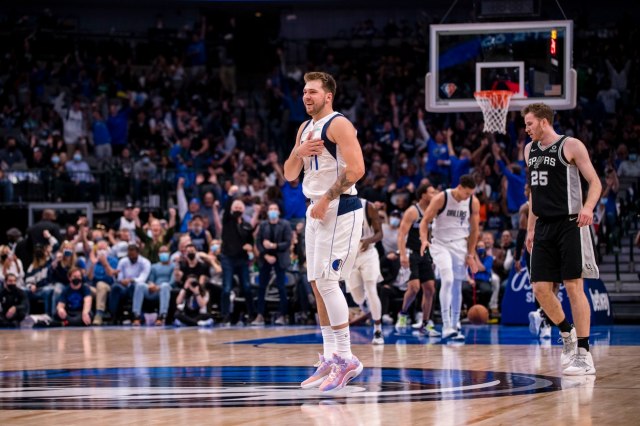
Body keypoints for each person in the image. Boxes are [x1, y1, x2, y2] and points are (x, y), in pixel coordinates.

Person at [283, 71, 365, 392]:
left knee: (329, 282)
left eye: (313, 92)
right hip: (315, 208)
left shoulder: (339, 124)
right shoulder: (304, 128)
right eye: (305, 91)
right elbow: (289, 174)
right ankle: (331, 356)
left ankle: (346, 357)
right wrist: (298, 152)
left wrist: (327, 198)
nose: (307, 96)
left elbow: (357, 170)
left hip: (339, 206)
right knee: (317, 284)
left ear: (328, 96)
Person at [522, 102, 601, 375]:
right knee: (540, 289)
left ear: (544, 121)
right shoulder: (529, 150)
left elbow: (595, 182)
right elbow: (533, 193)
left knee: (573, 286)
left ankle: (584, 354)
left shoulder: (571, 145)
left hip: (570, 224)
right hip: (543, 226)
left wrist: (588, 207)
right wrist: (530, 229)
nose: (526, 128)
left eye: (530, 123)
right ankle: (567, 334)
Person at [420, 174, 480, 341]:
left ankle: (454, 324)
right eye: (466, 193)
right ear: (459, 187)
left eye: (470, 194)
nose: (467, 197)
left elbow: (475, 231)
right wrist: (424, 240)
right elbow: (425, 221)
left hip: (460, 245)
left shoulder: (473, 202)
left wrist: (470, 254)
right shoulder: (441, 198)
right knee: (447, 279)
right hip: (440, 244)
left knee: (457, 285)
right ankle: (446, 325)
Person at [396, 183, 440, 337]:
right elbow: (401, 235)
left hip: (425, 253)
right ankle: (403, 313)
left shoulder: (434, 211)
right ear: (423, 195)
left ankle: (425, 323)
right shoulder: (412, 211)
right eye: (432, 192)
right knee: (414, 288)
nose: (435, 194)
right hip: (411, 252)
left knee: (430, 289)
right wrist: (402, 255)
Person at [345, 198, 384, 344]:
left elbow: (380, 233)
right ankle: (366, 306)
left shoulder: (367, 206)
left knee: (371, 288)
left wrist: (369, 240)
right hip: (350, 256)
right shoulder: (335, 207)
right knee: (358, 298)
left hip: (368, 253)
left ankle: (378, 330)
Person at [253, 203, 292, 326]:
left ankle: (282, 315)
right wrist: (265, 255)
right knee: (262, 287)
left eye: (275, 209)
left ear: (279, 212)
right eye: (271, 209)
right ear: (268, 212)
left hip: (280, 259)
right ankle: (260, 315)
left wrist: (274, 246)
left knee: (281, 287)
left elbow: (287, 242)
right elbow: (258, 242)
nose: (273, 211)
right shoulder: (263, 225)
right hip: (265, 258)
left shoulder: (285, 224)